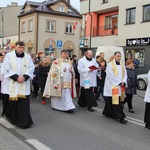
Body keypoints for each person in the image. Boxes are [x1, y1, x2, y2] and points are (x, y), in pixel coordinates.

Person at [1, 41, 34, 129]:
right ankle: (13, 119)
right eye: (19, 47)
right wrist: (16, 77)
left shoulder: (27, 57)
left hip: (24, 82)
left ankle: (23, 122)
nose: (21, 49)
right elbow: (6, 67)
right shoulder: (9, 56)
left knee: (23, 103)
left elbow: (32, 68)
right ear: (15, 47)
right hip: (13, 83)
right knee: (13, 103)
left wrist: (24, 77)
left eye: (23, 47)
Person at [102, 51, 127, 124]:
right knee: (116, 102)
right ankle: (120, 117)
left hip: (119, 86)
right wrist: (119, 82)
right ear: (114, 56)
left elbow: (125, 74)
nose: (119, 57)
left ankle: (106, 112)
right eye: (118, 56)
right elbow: (110, 75)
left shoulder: (122, 65)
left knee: (110, 101)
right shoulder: (110, 65)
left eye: (120, 56)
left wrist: (124, 81)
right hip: (112, 86)